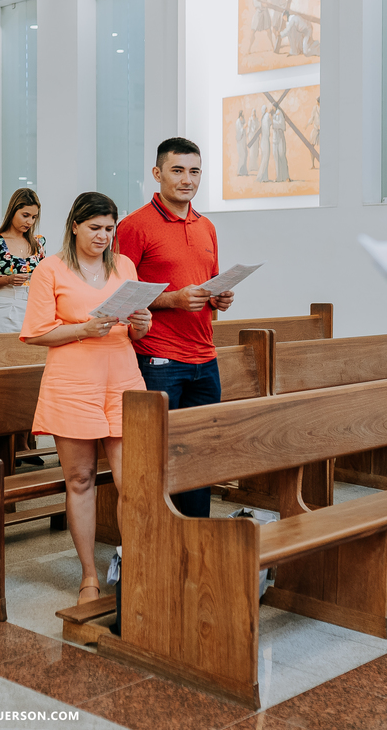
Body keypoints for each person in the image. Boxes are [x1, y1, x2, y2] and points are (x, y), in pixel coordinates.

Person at [21, 192, 152, 605]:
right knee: (80, 480)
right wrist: (82, 329)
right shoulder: (50, 269)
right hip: (73, 380)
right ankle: (90, 575)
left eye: (110, 229)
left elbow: (135, 331)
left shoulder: (124, 265)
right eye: (95, 228)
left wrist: (142, 324)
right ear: (74, 225)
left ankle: (139, 565)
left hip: (123, 376)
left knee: (133, 479)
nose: (103, 237)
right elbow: (37, 333)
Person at [118, 137, 234, 518]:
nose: (187, 179)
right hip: (157, 357)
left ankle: (196, 536)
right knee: (160, 454)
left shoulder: (207, 226)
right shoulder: (135, 226)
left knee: (199, 451)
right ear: (158, 173)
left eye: (195, 171)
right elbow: (120, 295)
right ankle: (158, 541)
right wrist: (172, 300)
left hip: (205, 356)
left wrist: (219, 297)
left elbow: (207, 281)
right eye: (178, 170)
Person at [0, 188, 46, 334]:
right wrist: (7, 280)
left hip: (34, 309)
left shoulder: (38, 243)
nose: (30, 222)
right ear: (12, 211)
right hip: (3, 308)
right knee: (0, 354)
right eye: (25, 215)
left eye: (34, 217)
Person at [272, 107, 290, 182]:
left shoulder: (280, 114)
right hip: (275, 138)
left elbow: (281, 125)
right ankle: (278, 177)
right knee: (276, 157)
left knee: (282, 155)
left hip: (280, 137)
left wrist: (273, 121)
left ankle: (286, 177)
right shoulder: (274, 115)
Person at [258, 107, 273, 183]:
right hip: (266, 140)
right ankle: (261, 176)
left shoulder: (262, 118)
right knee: (265, 158)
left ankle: (265, 177)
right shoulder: (267, 115)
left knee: (264, 158)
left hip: (263, 140)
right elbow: (271, 122)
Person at [235, 111, 248, 176]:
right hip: (240, 142)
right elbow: (238, 133)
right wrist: (243, 128)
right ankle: (239, 171)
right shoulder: (238, 122)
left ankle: (244, 171)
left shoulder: (243, 121)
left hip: (243, 142)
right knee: (241, 156)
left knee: (245, 155)